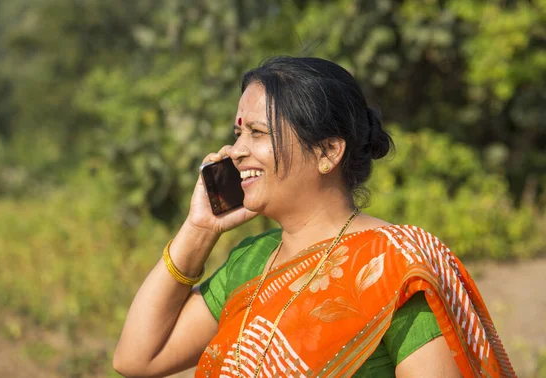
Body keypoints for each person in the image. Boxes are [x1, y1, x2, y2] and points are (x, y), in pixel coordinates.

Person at [113, 56, 516, 378]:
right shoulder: (252, 259)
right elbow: (137, 359)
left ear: (327, 153)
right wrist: (199, 230)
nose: (235, 150)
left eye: (257, 133)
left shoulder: (392, 269)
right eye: (238, 132)